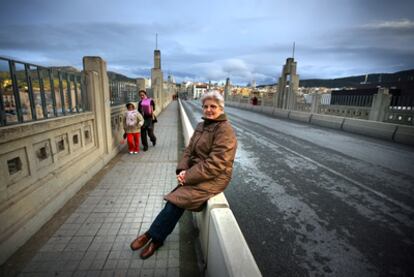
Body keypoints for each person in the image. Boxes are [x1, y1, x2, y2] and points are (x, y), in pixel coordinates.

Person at [130, 90, 238, 259]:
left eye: (213, 106)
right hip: (197, 172)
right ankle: (153, 236)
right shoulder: (202, 126)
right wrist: (182, 170)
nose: (209, 109)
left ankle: (153, 237)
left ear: (221, 108)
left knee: (175, 202)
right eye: (206, 106)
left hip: (215, 177)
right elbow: (188, 150)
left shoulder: (225, 130)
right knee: (175, 200)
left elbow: (217, 164)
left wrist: (187, 176)